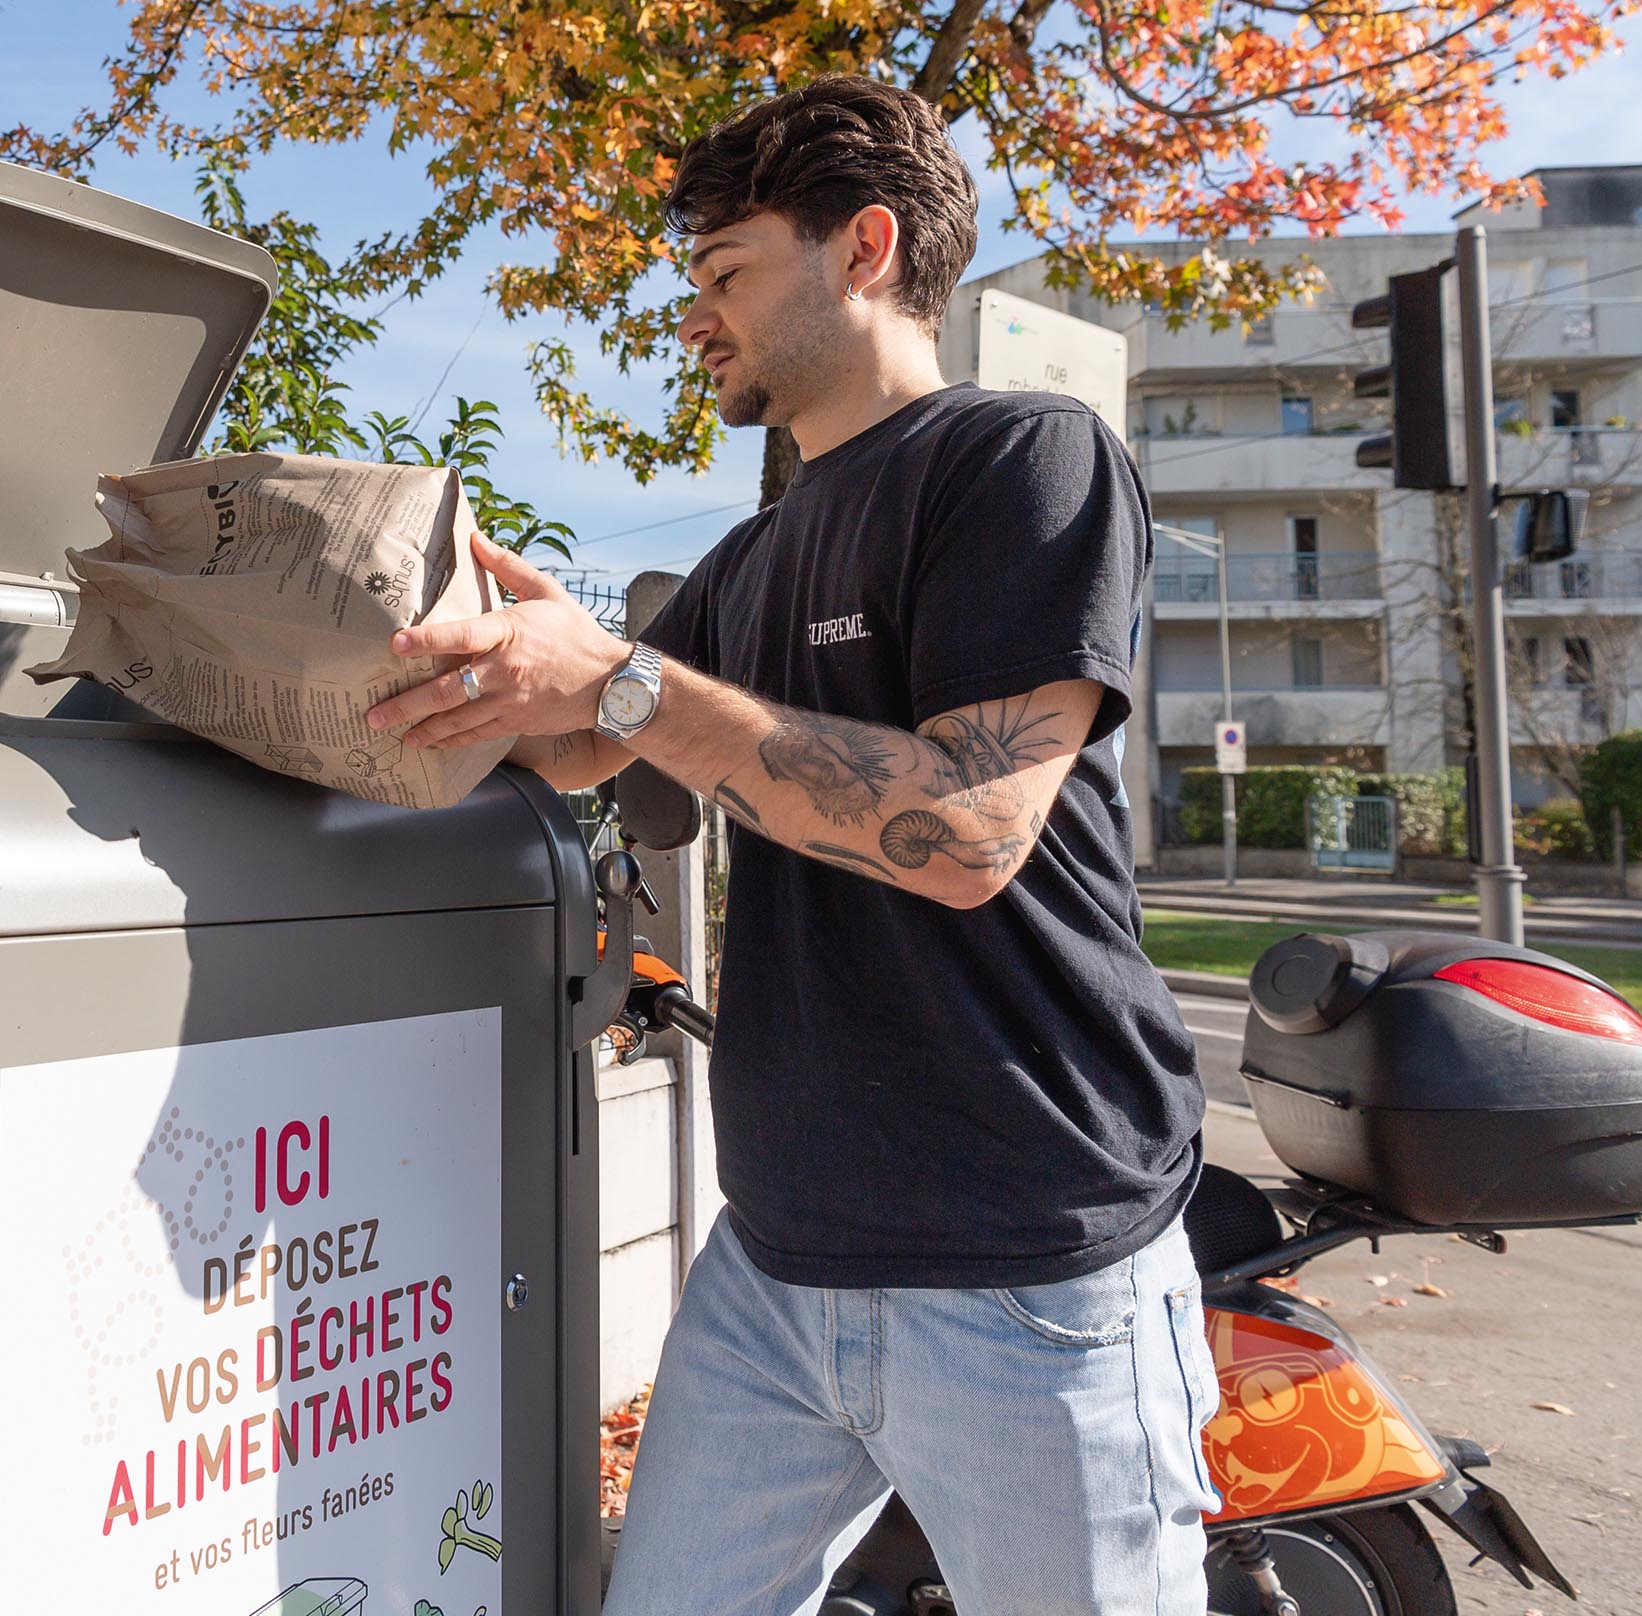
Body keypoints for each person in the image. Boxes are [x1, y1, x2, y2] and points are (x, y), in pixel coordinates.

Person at [361, 74, 1217, 1615]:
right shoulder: (748, 561)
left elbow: (964, 829)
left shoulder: (1025, 459)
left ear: (865, 248)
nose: (695, 318)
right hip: (778, 1266)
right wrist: (436, 654)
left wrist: (621, 679)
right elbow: (576, 740)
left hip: (1031, 1268)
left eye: (725, 272)